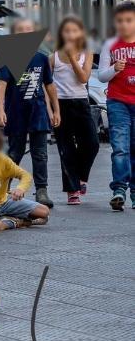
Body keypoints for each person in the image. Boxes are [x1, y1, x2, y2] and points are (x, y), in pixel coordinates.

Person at [0, 18, 60, 209]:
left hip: (38, 113)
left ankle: (42, 190)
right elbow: (1, 85)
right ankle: (2, 189)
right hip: (16, 113)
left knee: (40, 154)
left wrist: (56, 110)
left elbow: (49, 85)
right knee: (14, 153)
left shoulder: (41, 58)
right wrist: (0, 109)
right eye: (21, 30)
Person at [51, 16, 99, 204]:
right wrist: (51, 110)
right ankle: (72, 190)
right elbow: (48, 86)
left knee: (92, 143)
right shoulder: (52, 57)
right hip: (61, 104)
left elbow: (84, 78)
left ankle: (81, 177)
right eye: (67, 31)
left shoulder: (87, 53)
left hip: (81, 103)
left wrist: (72, 58)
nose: (71, 35)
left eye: (74, 31)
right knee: (66, 148)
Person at [97, 0, 135, 211]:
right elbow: (102, 76)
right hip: (118, 102)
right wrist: (114, 69)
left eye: (129, 20)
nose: (124, 25)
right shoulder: (110, 45)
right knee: (120, 149)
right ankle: (119, 190)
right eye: (120, 21)